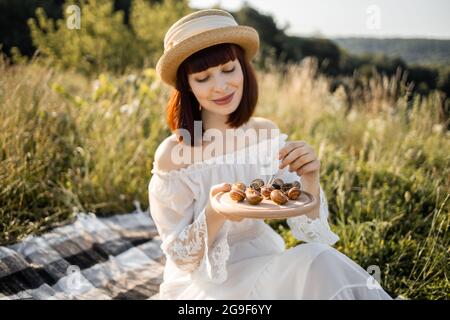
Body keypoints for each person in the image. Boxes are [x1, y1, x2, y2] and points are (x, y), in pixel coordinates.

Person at [148, 9, 393, 300]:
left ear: (243, 68)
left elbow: (309, 233)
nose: (222, 86)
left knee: (319, 259)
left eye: (229, 69)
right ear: (186, 86)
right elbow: (181, 257)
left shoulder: (265, 134)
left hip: (265, 262)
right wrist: (214, 214)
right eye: (203, 78)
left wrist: (310, 176)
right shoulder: (174, 155)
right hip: (205, 284)